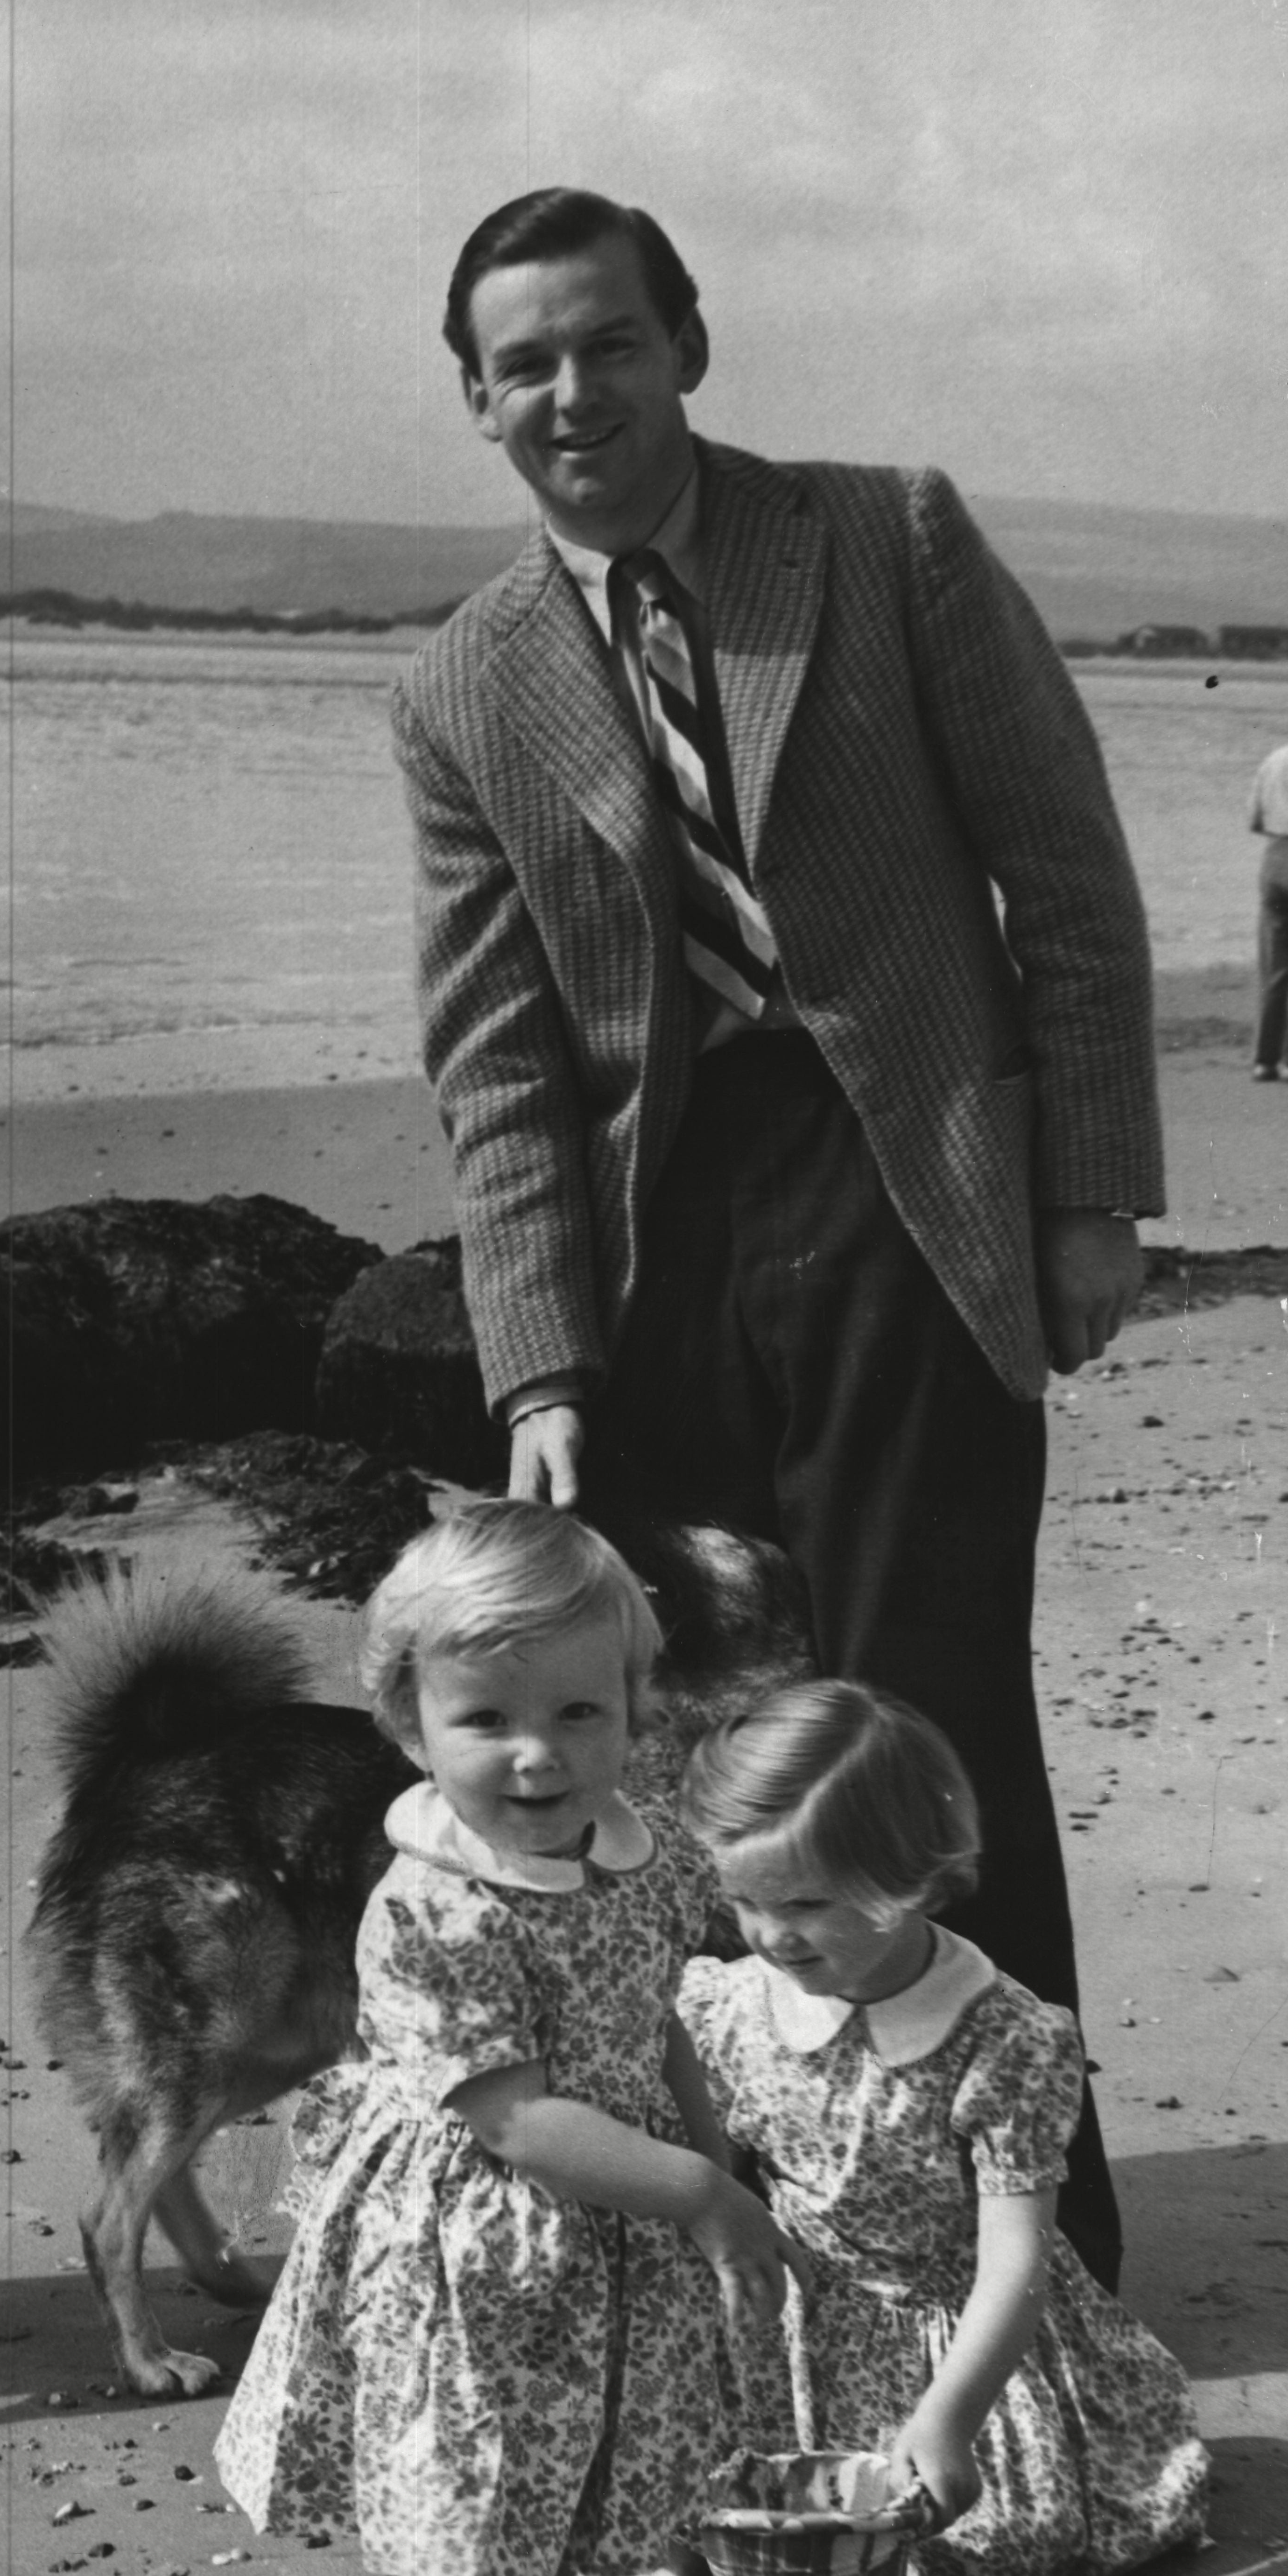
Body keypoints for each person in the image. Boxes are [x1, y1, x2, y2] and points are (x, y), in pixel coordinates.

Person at [393, 185, 1164, 2291]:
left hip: (901, 1185)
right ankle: (787, 2234)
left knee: (914, 1721)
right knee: (683, 1773)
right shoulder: (460, 680)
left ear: (685, 348)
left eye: (607, 342)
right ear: (474, 402)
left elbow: (1062, 879)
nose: (574, 391)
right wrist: (537, 1368)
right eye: (524, 363)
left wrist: (1084, 1193)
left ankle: (1037, 2244)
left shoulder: (880, 535)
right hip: (657, 1262)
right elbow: (495, 1065)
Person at [214, 1501, 795, 2576]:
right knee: (439, 2570)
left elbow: (658, 2033)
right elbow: (518, 2117)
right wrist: (702, 2201)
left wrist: (711, 2162)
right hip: (476, 2277)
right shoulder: (436, 1906)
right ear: (412, 1722)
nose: (539, 1753)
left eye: (581, 1710)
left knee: (538, 2554)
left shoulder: (634, 1855)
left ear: (639, 1710)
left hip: (603, 2259)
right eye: (487, 1716)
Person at [642, 1680, 1208, 2576]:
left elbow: (1016, 2261)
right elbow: (701, 2161)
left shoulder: (1001, 2037)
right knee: (690, 2466)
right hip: (791, 2315)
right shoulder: (736, 2005)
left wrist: (949, 2420)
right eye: (743, 1899)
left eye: (810, 1903)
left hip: (946, 2327)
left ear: (908, 1878)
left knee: (969, 2556)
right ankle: (704, 2551)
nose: (772, 1933)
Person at [1246, 698, 1288, 1082]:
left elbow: (1254, 819)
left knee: (1274, 965)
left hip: (1276, 857)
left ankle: (1264, 1059)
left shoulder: (1276, 758)